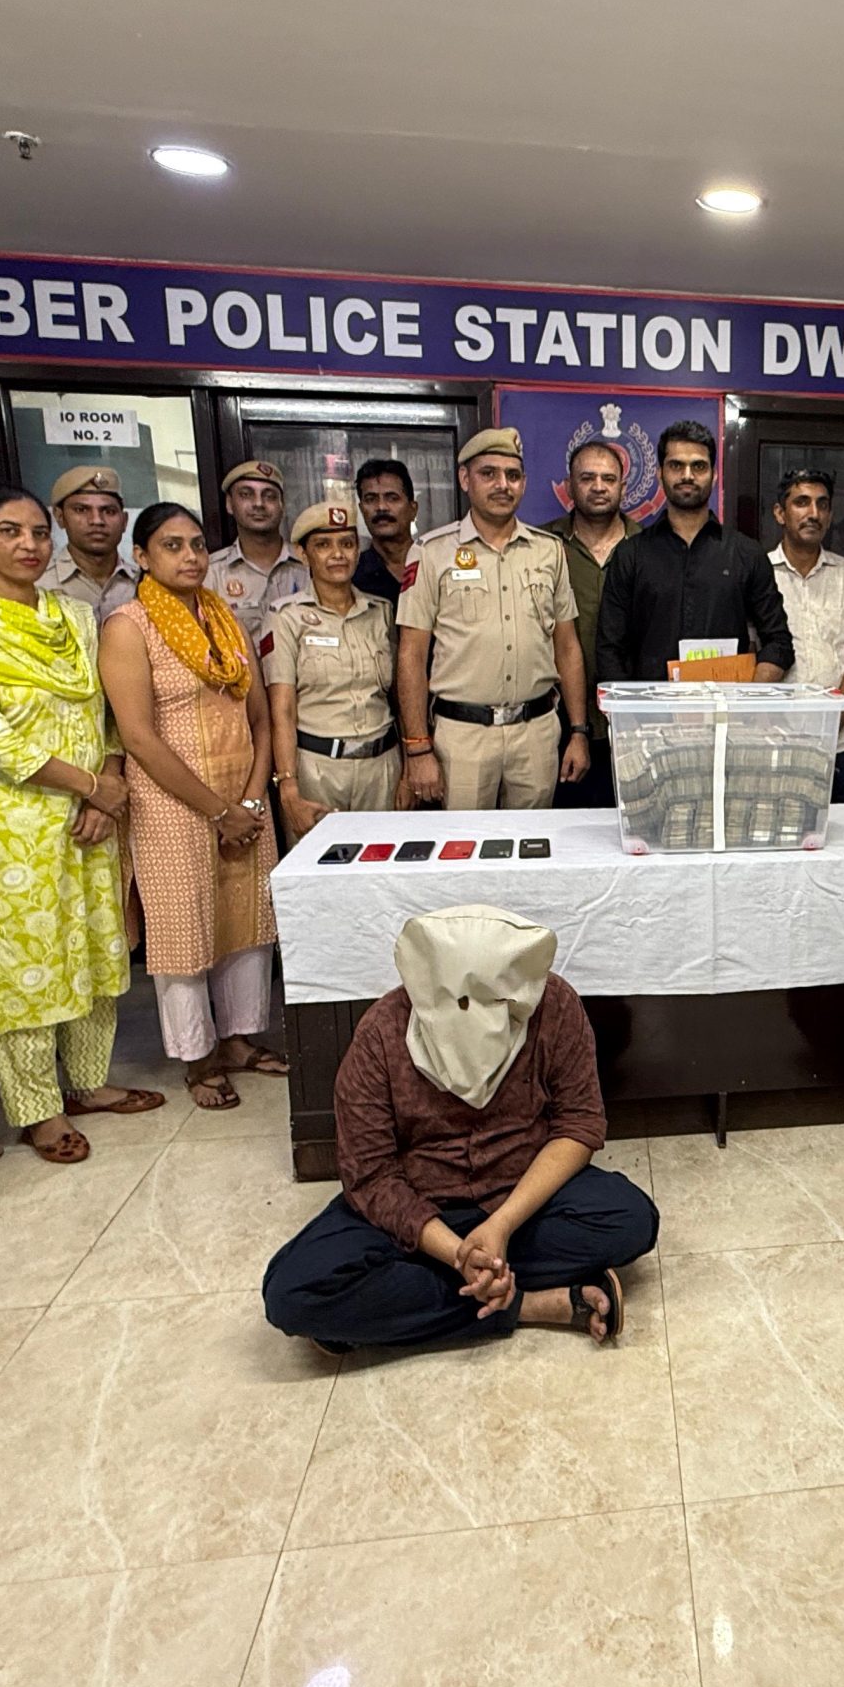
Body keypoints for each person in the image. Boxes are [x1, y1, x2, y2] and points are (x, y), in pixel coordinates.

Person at [0, 483, 161, 1166]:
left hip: (90, 812)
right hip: (6, 820)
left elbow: (105, 712)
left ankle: (89, 1082)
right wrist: (92, 787)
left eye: (38, 532)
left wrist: (104, 790)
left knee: (95, 947)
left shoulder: (72, 617)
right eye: (8, 531)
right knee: (26, 967)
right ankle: (38, 1109)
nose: (28, 545)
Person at [261, 907, 661, 1350]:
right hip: (419, 1205)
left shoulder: (554, 1005)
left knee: (631, 1220)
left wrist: (501, 1226)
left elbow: (578, 1123)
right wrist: (456, 1253)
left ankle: (395, 1304)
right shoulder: (382, 1031)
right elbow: (370, 1174)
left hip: (522, 1197)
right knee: (291, 1292)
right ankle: (528, 1304)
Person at [101, 502, 286, 1110]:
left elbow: (260, 718)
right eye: (172, 546)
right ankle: (197, 1057)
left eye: (198, 545)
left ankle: (238, 1040)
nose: (190, 557)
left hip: (243, 797)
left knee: (246, 923)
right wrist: (217, 810)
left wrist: (251, 798)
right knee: (184, 929)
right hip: (172, 802)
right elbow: (137, 736)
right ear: (141, 556)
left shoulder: (223, 620)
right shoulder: (128, 627)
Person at [395, 427, 590, 810]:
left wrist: (579, 731)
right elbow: (411, 655)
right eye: (489, 473)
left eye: (512, 475)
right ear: (465, 479)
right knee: (464, 843)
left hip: (536, 733)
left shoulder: (549, 551)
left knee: (532, 843)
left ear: (524, 483)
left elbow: (567, 646)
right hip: (463, 736)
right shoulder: (431, 553)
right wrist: (417, 747)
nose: (503, 484)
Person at [595, 419, 794, 686]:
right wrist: (631, 708)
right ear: (660, 474)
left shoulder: (747, 554)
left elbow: (779, 643)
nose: (687, 475)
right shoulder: (630, 555)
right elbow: (609, 650)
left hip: (727, 709)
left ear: (714, 475)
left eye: (698, 466)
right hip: (649, 710)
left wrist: (745, 700)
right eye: (676, 465)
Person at [266, 487, 403, 835]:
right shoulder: (286, 618)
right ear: (303, 553)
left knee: (384, 860)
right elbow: (282, 710)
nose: (338, 554)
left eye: (347, 544)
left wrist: (407, 767)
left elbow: (398, 697)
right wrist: (288, 785)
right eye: (323, 545)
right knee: (321, 865)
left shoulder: (381, 612)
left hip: (381, 767)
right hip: (318, 770)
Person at [768, 468, 844, 789]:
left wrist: (828, 731)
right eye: (801, 502)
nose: (813, 513)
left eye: (822, 504)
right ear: (780, 513)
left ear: (830, 515)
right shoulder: (759, 573)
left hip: (836, 744)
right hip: (772, 741)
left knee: (840, 824)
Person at [548, 438, 635, 807]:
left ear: (622, 487)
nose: (598, 487)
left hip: (633, 721)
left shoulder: (649, 546)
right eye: (587, 478)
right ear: (569, 486)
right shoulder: (542, 546)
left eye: (608, 479)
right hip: (558, 723)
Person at [207, 459, 309, 649]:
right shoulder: (210, 574)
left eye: (269, 496)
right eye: (246, 494)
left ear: (282, 505)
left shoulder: (310, 565)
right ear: (229, 504)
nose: (259, 503)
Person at [38, 465, 140, 616]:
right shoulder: (39, 585)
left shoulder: (143, 583)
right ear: (60, 517)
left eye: (109, 511)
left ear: (124, 521)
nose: (97, 520)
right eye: (81, 510)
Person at [352, 457, 419, 605]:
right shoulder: (351, 576)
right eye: (371, 499)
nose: (381, 507)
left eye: (392, 498)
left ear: (413, 509)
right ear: (362, 510)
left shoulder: (434, 565)